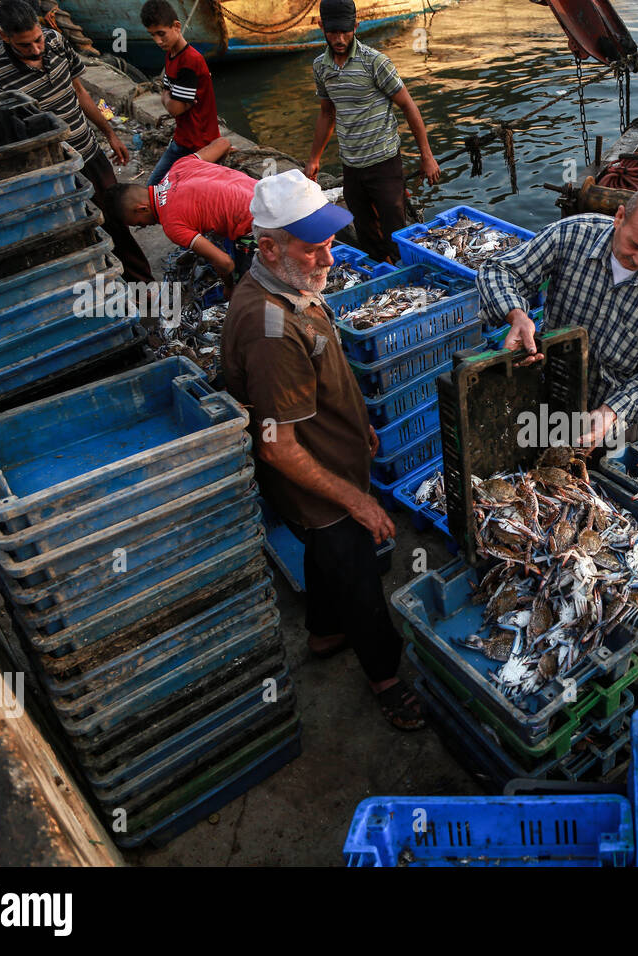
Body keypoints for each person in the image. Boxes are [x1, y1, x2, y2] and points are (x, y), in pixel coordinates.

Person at [219, 169, 424, 731]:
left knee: (326, 555)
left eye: (331, 244)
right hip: (316, 481)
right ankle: (386, 679)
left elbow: (324, 365)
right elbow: (277, 448)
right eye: (314, 249)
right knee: (357, 571)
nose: (329, 260)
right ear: (269, 247)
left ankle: (324, 633)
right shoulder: (269, 328)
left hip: (335, 453)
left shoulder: (291, 286)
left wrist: (359, 424)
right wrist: (356, 503)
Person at [477, 186, 638, 449]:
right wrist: (517, 315)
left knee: (598, 481)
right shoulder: (571, 234)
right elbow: (498, 269)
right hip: (552, 388)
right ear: (620, 217)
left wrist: (613, 409)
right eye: (635, 245)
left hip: (615, 415)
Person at [0, 0, 153, 282]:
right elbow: (1, 128)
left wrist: (109, 133)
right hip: (50, 167)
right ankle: (98, 282)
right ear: (5, 37)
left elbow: (80, 91)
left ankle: (143, 285)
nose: (35, 50)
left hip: (89, 151)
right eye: (24, 45)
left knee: (115, 221)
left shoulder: (55, 41)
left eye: (37, 40)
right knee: (72, 229)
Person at [303, 0, 440, 263]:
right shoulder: (321, 66)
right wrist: (313, 159)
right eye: (333, 32)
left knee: (396, 231)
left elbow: (408, 106)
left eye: (345, 31)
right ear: (322, 27)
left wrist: (427, 156)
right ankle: (382, 274)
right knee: (365, 231)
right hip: (351, 165)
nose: (340, 38)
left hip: (384, 164)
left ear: (356, 26)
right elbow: (327, 113)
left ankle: (407, 273)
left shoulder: (375, 62)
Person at [107, 137, 254, 288]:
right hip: (267, 193)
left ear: (142, 208)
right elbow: (223, 143)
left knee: (245, 286)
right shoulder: (179, 166)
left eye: (139, 223)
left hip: (259, 223)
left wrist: (229, 288)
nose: (144, 226)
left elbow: (225, 263)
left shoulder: (172, 226)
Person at [141, 0, 219, 187]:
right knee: (154, 189)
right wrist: (173, 99)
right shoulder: (171, 55)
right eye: (153, 35)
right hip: (182, 139)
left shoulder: (190, 61)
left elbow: (174, 108)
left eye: (161, 34)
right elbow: (171, 100)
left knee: (158, 188)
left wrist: (170, 97)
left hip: (198, 143)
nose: (158, 41)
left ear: (177, 26)